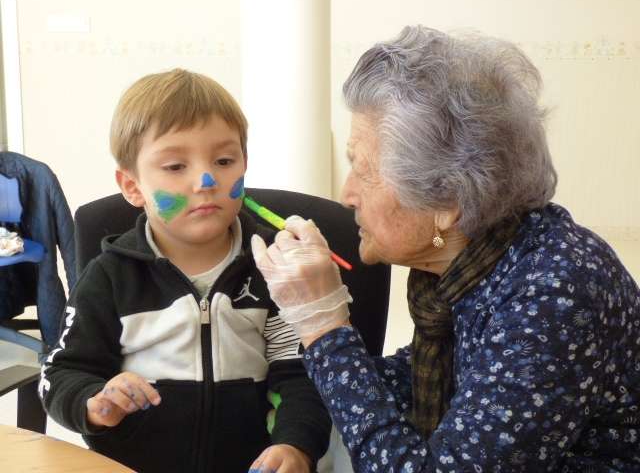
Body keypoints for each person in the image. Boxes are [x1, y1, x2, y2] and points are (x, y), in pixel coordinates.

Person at [251, 26, 640, 472]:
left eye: (364, 171)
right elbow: (420, 382)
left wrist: (324, 326)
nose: (346, 194)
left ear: (446, 203)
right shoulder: (472, 265)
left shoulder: (555, 291)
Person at [39, 68, 330, 473]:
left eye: (224, 160)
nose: (206, 180)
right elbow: (62, 372)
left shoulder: (274, 267)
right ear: (132, 187)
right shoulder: (110, 277)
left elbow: (302, 375)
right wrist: (94, 401)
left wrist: (296, 444)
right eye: (176, 166)